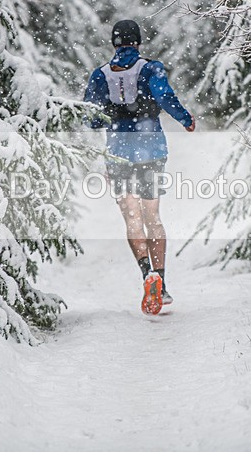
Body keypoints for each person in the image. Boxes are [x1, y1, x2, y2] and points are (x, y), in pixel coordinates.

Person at [84, 20, 196, 315]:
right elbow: (164, 97)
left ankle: (146, 273)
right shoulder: (151, 68)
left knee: (132, 218)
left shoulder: (101, 75)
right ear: (138, 42)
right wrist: (185, 119)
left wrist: (114, 112)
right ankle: (162, 279)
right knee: (153, 217)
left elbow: (90, 117)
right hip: (150, 149)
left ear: (114, 43)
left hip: (118, 152)